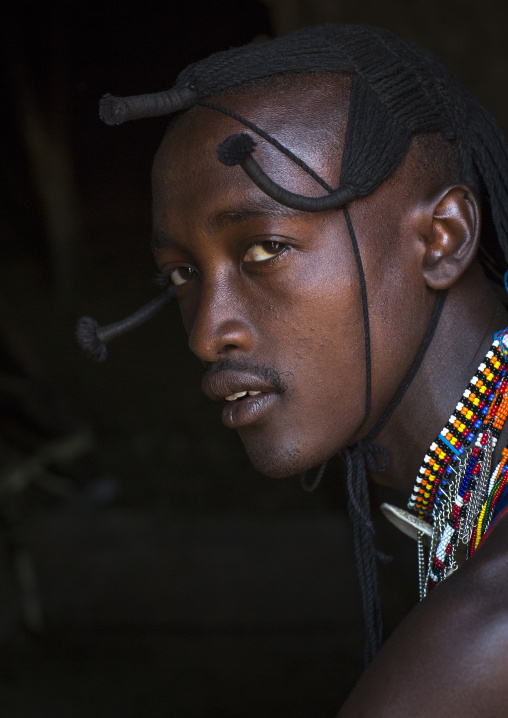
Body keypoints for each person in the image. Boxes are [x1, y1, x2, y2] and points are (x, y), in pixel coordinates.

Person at [77, 24, 508, 716]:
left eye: (264, 250)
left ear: (442, 238)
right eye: (182, 273)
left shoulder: (486, 633)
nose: (208, 332)